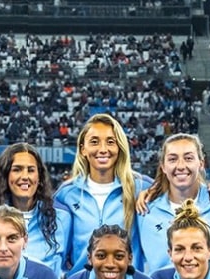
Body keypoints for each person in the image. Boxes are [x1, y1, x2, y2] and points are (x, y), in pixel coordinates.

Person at [135, 134, 210, 276]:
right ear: (163, 167)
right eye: (172, 159)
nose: (181, 166)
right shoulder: (144, 212)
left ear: (201, 163)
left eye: (188, 158)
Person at [55, 114, 149, 268]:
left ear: (119, 147)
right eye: (94, 142)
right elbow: (57, 247)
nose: (103, 149)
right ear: (83, 149)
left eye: (110, 142)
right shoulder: (66, 194)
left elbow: (178, 192)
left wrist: (204, 188)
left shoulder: (140, 187)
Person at [0, 143, 75, 273]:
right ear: (6, 175)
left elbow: (68, 265)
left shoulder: (62, 217)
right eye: (17, 169)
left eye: (31, 170)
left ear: (39, 177)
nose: (25, 177)